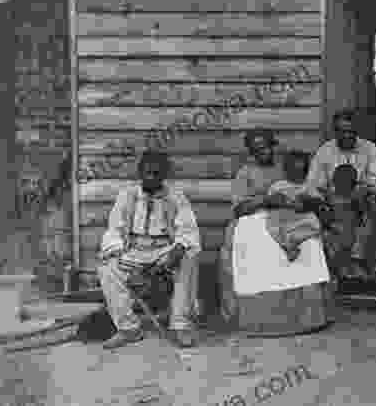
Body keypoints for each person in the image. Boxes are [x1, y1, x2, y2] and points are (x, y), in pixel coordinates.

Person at [220, 128, 331, 321]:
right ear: (251, 152)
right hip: (256, 217)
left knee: (310, 242)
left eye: (265, 148)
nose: (262, 153)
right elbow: (239, 209)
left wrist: (303, 202)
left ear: (273, 146)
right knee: (256, 241)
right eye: (256, 150)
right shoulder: (245, 173)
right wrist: (266, 200)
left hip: (290, 215)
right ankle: (261, 311)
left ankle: (306, 311)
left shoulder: (286, 166)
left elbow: (306, 190)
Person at [97, 150, 201, 349]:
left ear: (164, 175)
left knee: (189, 257)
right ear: (140, 173)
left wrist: (177, 249)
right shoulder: (127, 196)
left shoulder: (176, 198)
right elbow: (114, 229)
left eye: (156, 174)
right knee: (107, 266)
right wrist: (118, 252)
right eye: (147, 173)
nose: (151, 178)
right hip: (133, 250)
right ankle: (129, 329)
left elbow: (188, 231)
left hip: (163, 249)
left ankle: (180, 325)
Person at [305, 109, 376, 273]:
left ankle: (360, 256)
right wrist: (326, 199)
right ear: (335, 132)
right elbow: (313, 185)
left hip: (361, 199)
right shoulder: (325, 151)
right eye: (343, 132)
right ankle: (336, 262)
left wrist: (361, 190)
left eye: (351, 131)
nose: (347, 136)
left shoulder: (369, 148)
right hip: (333, 200)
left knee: (372, 202)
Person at [265, 150, 324, 262]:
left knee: (313, 222)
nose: (298, 175)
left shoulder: (309, 186)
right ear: (287, 170)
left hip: (301, 219)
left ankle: (292, 244)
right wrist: (285, 202)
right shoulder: (278, 186)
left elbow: (318, 201)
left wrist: (309, 201)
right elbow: (271, 201)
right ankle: (287, 246)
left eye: (301, 171)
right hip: (283, 217)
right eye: (294, 171)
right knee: (272, 224)